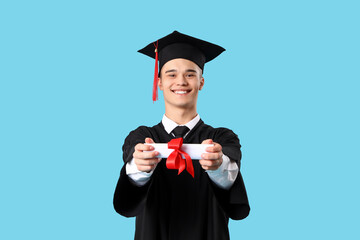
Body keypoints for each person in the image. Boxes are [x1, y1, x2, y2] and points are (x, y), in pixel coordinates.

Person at [113, 31, 250, 240]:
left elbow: (230, 177)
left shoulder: (221, 138)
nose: (181, 81)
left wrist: (218, 164)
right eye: (171, 74)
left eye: (190, 74)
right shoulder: (141, 137)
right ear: (159, 83)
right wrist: (139, 166)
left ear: (201, 82)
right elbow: (130, 188)